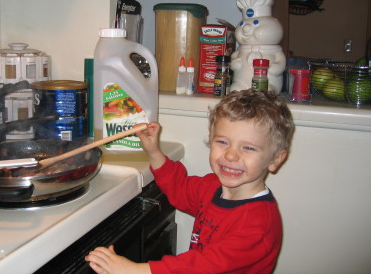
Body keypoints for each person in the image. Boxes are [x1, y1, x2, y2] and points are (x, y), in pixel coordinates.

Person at [85, 89, 295, 274]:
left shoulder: (258, 225)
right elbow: (179, 187)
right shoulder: (212, 187)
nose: (231, 155)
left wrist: (134, 270)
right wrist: (154, 151)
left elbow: (203, 266)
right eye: (222, 142)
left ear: (275, 159)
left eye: (248, 148)